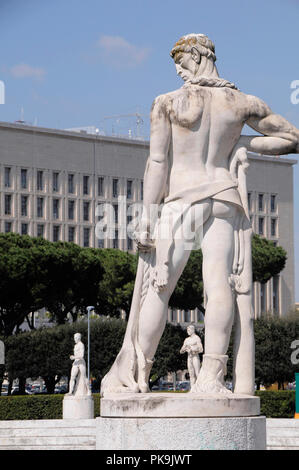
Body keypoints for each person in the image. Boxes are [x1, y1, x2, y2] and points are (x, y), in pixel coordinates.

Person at [101, 33, 299, 397]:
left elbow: (158, 162)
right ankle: (211, 379)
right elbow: (292, 138)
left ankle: (138, 376)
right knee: (218, 287)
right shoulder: (242, 103)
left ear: (197, 54)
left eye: (180, 61)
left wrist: (147, 215)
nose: (178, 70)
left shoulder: (168, 102)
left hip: (181, 201)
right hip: (224, 196)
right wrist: (247, 145)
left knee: (158, 290)